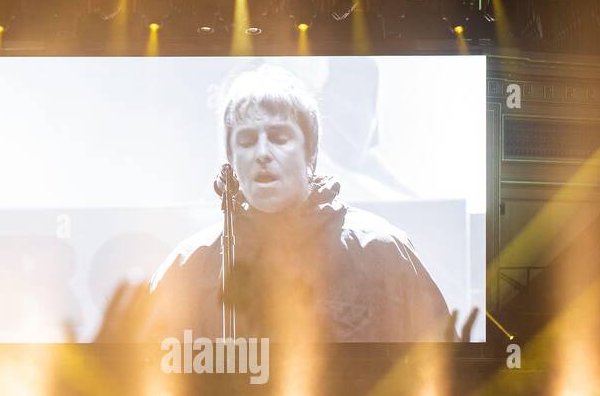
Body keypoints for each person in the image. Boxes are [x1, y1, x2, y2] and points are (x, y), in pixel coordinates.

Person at [96, 65, 455, 343]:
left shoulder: (382, 251)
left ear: (311, 153)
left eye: (280, 137)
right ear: (230, 159)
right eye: (247, 140)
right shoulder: (190, 265)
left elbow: (445, 370)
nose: (263, 153)